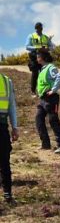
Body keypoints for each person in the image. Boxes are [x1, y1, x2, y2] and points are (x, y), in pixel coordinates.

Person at [35, 49, 60, 154]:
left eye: (38, 56)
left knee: (53, 120)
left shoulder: (51, 67)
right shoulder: (42, 69)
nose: (37, 58)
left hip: (51, 99)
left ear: (42, 57)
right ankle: (45, 144)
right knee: (39, 119)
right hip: (43, 99)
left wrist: (53, 90)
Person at [0, 69, 19, 205]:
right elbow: (12, 106)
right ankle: (7, 193)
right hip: (2, 127)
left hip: (2, 126)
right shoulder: (6, 81)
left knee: (4, 161)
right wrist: (14, 126)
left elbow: (11, 105)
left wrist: (15, 127)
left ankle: (7, 193)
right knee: (4, 161)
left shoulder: (7, 82)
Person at [25, 22, 52, 95]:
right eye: (37, 28)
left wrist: (48, 49)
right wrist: (37, 48)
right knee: (35, 74)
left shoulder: (45, 37)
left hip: (44, 56)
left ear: (42, 28)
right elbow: (27, 46)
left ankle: (45, 90)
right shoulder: (31, 36)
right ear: (35, 28)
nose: (39, 29)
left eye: (40, 27)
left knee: (45, 73)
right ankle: (33, 91)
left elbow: (51, 46)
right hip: (34, 56)